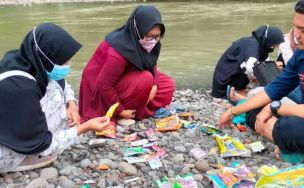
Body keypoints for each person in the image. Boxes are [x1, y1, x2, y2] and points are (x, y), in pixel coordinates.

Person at [218, 0, 304, 163]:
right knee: (255, 104)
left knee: (288, 127)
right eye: (295, 27)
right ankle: (293, 142)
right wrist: (233, 112)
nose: (295, 35)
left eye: (303, 30)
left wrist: (277, 108)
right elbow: (274, 88)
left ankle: (288, 138)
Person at [0, 23, 110, 173]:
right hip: (4, 150)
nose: (67, 65)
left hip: (12, 123)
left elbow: (63, 84)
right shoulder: (22, 90)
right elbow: (44, 144)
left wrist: (71, 103)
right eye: (63, 61)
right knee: (54, 121)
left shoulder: (28, 59)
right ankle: (20, 158)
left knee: (57, 91)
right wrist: (84, 128)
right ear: (45, 57)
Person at [79, 5, 175, 122]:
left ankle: (138, 107)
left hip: (126, 77)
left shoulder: (150, 42)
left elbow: (152, 63)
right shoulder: (118, 51)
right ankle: (130, 112)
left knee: (167, 84)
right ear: (137, 30)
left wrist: (154, 86)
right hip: (98, 91)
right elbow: (104, 84)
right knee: (145, 78)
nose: (152, 41)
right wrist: (120, 111)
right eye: (149, 35)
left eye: (157, 36)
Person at [211, 25, 284, 98]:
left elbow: (264, 65)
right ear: (269, 40)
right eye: (274, 45)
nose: (274, 48)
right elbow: (251, 68)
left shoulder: (259, 48)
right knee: (259, 99)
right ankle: (234, 94)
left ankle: (240, 91)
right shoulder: (251, 44)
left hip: (229, 82)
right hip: (224, 87)